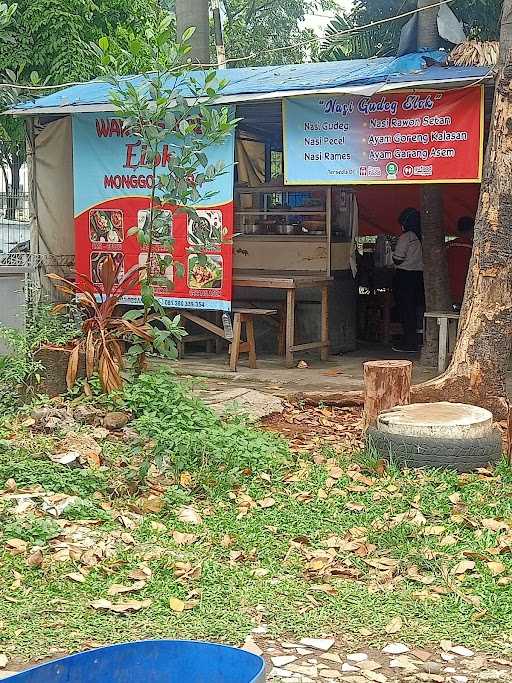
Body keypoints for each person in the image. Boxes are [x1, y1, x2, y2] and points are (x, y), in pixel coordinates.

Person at [392, 207, 425, 353]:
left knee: (406, 310)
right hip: (420, 276)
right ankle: (418, 340)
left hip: (405, 276)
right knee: (417, 309)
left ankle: (408, 342)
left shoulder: (407, 237)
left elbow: (398, 259)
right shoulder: (424, 236)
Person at [447, 216, 474, 307]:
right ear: (472, 229)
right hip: (466, 288)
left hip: (449, 288)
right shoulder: (474, 248)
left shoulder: (449, 245)